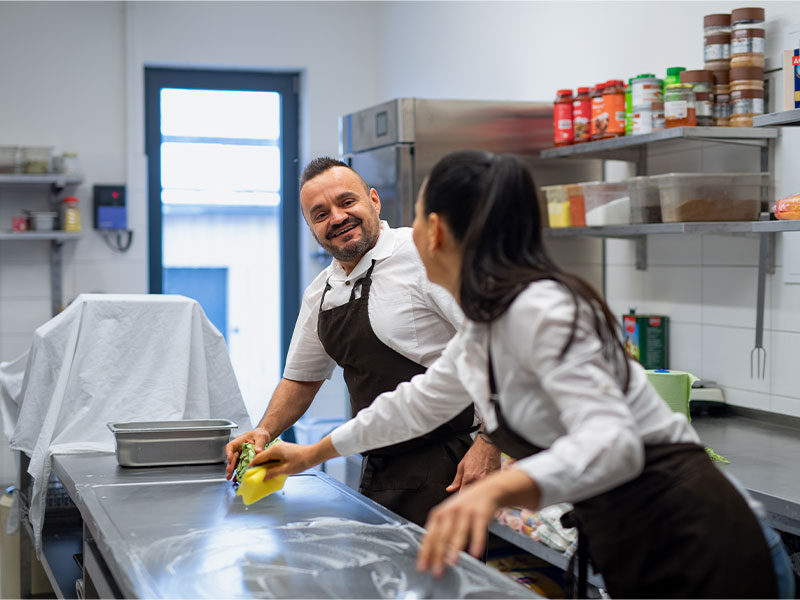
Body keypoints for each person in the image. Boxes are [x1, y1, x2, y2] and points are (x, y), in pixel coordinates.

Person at [250, 150, 794, 599]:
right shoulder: (489, 323)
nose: (407, 232)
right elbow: (415, 403)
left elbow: (616, 444)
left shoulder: (542, 308)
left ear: (436, 232)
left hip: (699, 536)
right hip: (636, 538)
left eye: (416, 218)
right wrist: (311, 453)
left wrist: (492, 491)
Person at [225, 156, 500, 527]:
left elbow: (494, 344)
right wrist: (265, 430)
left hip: (449, 464)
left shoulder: (423, 255)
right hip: (379, 465)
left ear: (374, 200)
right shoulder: (321, 292)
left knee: (443, 582)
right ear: (311, 228)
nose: (337, 218)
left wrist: (490, 442)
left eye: (346, 202)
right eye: (320, 214)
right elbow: (301, 378)